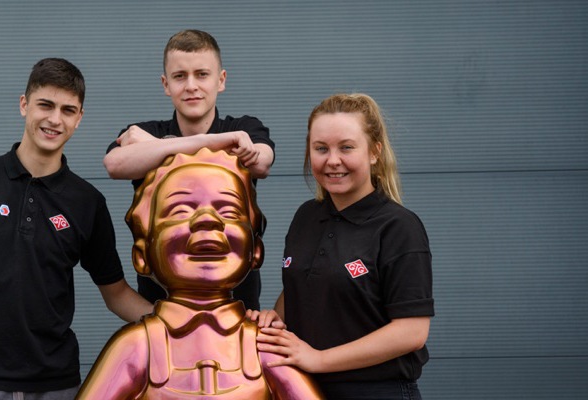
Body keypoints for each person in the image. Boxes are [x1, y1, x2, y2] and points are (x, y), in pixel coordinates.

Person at [0, 58, 154, 400]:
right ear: (24, 104)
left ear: (79, 118)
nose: (55, 119)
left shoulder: (87, 202)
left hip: (55, 386)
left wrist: (177, 321)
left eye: (68, 110)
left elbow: (116, 294)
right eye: (45, 105)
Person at [76, 148, 323, 399]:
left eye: (228, 211)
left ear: (256, 251)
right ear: (142, 255)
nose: (207, 220)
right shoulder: (136, 348)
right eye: (180, 211)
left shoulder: (265, 346)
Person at [249, 93, 434, 399]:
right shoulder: (306, 216)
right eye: (321, 148)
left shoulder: (398, 227)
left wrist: (319, 359)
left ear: (374, 152)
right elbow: (305, 284)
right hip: (306, 389)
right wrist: (277, 317)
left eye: (346, 147)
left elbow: (411, 332)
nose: (332, 160)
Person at [103, 29, 274, 311]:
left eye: (202, 74)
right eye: (180, 76)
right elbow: (114, 164)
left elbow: (262, 162)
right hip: (161, 308)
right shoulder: (146, 130)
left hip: (238, 306)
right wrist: (211, 143)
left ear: (221, 80)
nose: (191, 86)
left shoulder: (245, 127)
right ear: (166, 84)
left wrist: (158, 147)